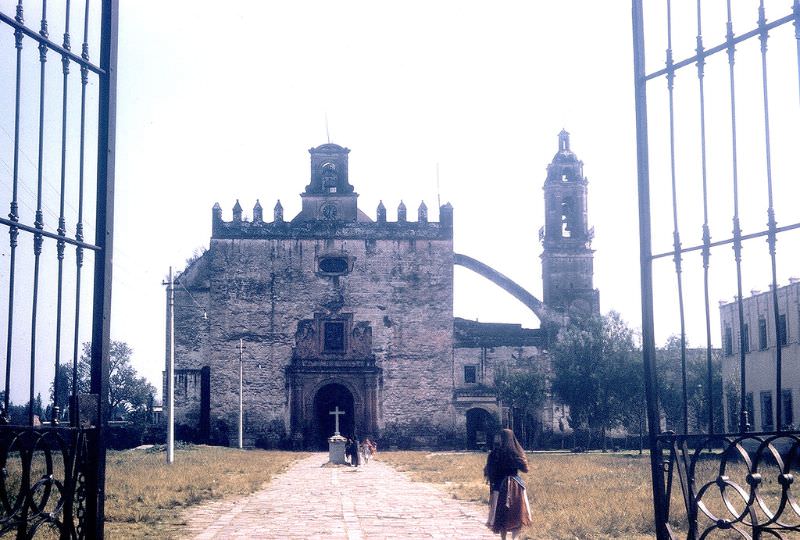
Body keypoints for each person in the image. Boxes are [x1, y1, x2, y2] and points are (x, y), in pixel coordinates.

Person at [484, 429, 532, 539]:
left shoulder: (496, 453)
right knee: (514, 513)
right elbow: (525, 468)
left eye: (500, 437)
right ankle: (512, 538)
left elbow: (489, 472)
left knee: (506, 514)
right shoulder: (514, 453)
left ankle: (506, 538)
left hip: (503, 486)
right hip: (513, 486)